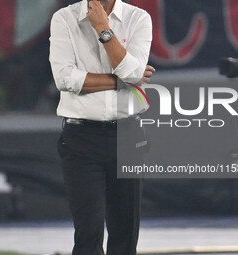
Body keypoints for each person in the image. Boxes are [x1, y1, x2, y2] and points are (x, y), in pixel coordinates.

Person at [49, 0, 154, 254]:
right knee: (88, 234)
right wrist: (122, 81)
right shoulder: (64, 18)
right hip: (81, 138)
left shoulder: (138, 18)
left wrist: (103, 30)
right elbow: (65, 78)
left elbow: (133, 75)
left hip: (127, 135)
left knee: (125, 235)